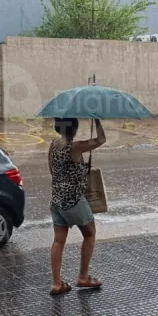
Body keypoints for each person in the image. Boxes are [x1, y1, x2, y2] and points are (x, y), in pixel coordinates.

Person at [48, 117, 106, 295]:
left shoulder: (53, 145)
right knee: (90, 234)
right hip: (73, 200)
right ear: (74, 128)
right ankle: (83, 277)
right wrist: (97, 121)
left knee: (58, 241)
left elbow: (54, 171)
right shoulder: (74, 147)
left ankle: (57, 283)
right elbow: (101, 139)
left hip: (56, 199)